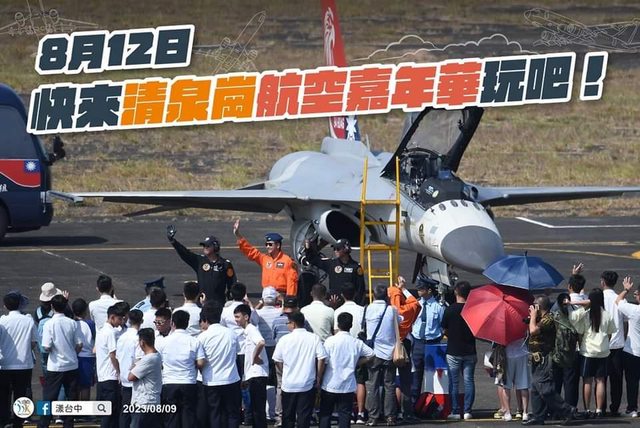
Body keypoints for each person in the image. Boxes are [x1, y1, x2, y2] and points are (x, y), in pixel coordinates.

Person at [525, 295, 575, 426]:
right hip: (535, 358)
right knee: (535, 389)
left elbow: (533, 330)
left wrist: (533, 317)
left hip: (545, 358)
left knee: (545, 389)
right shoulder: (540, 318)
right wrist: (532, 318)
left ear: (539, 306)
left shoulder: (548, 319)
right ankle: (538, 416)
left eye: (535, 305)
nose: (532, 307)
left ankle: (567, 410)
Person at [273, 312, 328, 428]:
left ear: (293, 324)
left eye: (288, 323)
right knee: (304, 417)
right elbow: (322, 358)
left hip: (288, 384)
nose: (287, 325)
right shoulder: (314, 338)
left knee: (288, 416)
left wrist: (283, 372)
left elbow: (277, 360)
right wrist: (318, 377)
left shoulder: (284, 339)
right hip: (307, 383)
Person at [319, 312, 374, 428]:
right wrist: (358, 362)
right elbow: (371, 354)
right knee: (345, 416)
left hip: (329, 383)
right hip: (348, 385)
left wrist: (319, 377)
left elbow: (324, 360)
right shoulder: (356, 342)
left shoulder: (330, 341)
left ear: (338, 324)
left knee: (325, 415)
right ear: (351, 325)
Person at [38, 294, 84, 428]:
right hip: (72, 365)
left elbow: (46, 347)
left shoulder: (49, 324)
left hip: (55, 367)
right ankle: (68, 424)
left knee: (48, 397)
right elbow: (79, 344)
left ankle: (43, 424)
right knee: (71, 397)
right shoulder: (72, 323)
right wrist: (72, 354)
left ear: (52, 307)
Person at [570, 288, 617, 417]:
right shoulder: (607, 315)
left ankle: (587, 409)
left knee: (587, 381)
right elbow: (610, 333)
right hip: (603, 351)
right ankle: (599, 410)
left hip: (588, 351)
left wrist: (583, 306)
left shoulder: (586, 314)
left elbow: (578, 329)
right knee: (600, 381)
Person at [156, 310, 206, 428]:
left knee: (171, 417)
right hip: (189, 382)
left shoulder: (163, 342)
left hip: (169, 383)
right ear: (187, 323)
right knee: (188, 416)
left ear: (172, 323)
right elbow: (201, 363)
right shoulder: (194, 341)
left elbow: (158, 362)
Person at [197, 302, 242, 428]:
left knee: (214, 413)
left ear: (205, 319)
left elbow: (200, 360)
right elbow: (237, 352)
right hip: (231, 379)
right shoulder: (231, 333)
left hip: (211, 381)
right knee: (232, 414)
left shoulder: (202, 337)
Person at [167, 225, 236, 303]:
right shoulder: (200, 261)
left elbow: (232, 284)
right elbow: (185, 253)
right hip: (202, 304)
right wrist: (173, 241)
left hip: (219, 305)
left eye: (208, 245)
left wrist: (231, 301)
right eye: (204, 245)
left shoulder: (225, 264)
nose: (205, 247)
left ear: (215, 247)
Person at [233, 219, 298, 297]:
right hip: (266, 295)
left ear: (278, 245)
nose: (267, 246)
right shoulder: (264, 259)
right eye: (266, 244)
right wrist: (238, 235)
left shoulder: (287, 261)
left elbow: (292, 281)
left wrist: (290, 299)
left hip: (280, 296)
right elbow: (251, 251)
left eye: (270, 244)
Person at [0, 291, 36, 428]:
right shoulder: (28, 320)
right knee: (21, 395)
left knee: (4, 395)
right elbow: (33, 342)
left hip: (5, 364)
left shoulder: (2, 321)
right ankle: (19, 422)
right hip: (24, 365)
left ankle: (4, 421)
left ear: (5, 306)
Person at [364, 285, 399, 426]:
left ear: (373, 295)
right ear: (387, 296)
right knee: (389, 385)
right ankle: (390, 416)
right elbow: (400, 320)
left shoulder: (368, 309)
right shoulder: (392, 310)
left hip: (373, 353)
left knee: (372, 385)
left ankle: (373, 417)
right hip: (389, 353)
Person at [387, 276, 420, 422]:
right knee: (406, 382)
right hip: (404, 345)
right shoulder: (407, 310)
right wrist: (404, 289)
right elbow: (416, 303)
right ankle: (407, 413)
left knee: (390, 382)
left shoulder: (386, 312)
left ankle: (391, 413)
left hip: (389, 346)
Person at [442, 281, 476, 421]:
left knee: (454, 382)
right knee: (469, 381)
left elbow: (444, 329)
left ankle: (455, 410)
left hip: (453, 350)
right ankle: (467, 410)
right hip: (470, 350)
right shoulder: (473, 309)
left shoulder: (449, 310)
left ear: (456, 292)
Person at [333, 283, 367, 423]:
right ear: (355, 294)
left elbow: (336, 332)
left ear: (342, 295)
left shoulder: (337, 311)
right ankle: (360, 413)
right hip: (358, 349)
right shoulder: (362, 310)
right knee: (360, 382)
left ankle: (347, 411)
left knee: (344, 381)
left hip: (342, 350)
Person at [410, 275, 444, 406]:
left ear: (429, 290)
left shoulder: (438, 307)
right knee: (416, 376)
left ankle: (432, 404)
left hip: (432, 343)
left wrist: (436, 338)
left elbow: (442, 326)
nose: (418, 291)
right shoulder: (416, 304)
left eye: (421, 289)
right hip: (418, 343)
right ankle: (414, 404)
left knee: (433, 376)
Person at [235, 304, 269, 428]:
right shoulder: (248, 330)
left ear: (246, 317)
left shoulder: (251, 329)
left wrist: (255, 357)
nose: (236, 320)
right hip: (253, 375)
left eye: (238, 317)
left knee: (258, 410)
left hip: (257, 375)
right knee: (255, 408)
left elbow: (261, 342)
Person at [303, 238, 366, 304]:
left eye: (338, 249)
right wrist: (308, 249)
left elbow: (360, 289)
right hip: (334, 303)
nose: (335, 251)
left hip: (350, 304)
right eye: (334, 249)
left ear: (346, 249)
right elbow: (313, 260)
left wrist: (360, 305)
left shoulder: (355, 267)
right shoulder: (331, 264)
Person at [95, 305, 125, 428]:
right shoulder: (110, 333)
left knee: (106, 412)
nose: (121, 322)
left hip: (102, 376)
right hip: (111, 376)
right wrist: (119, 371)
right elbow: (113, 355)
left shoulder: (101, 331)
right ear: (112, 317)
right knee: (111, 413)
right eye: (119, 319)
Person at [255, 287, 281, 421]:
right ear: (276, 299)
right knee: (276, 381)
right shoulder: (280, 312)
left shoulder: (258, 313)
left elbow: (253, 312)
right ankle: (275, 411)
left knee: (265, 379)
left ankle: (267, 411)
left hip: (263, 348)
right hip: (276, 347)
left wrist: (259, 303)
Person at [128, 328, 163, 428]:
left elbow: (131, 376)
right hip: (151, 401)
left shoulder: (148, 359)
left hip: (144, 403)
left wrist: (134, 366)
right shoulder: (156, 355)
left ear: (142, 342)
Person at [601, 270, 625, 416]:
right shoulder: (620, 299)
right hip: (618, 344)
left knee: (601, 379)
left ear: (603, 282)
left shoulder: (598, 298)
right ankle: (615, 408)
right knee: (617, 379)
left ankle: (601, 407)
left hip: (602, 344)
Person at [614, 276, 639, 417]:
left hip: (632, 352)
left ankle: (632, 408)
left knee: (632, 382)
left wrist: (626, 290)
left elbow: (618, 300)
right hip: (633, 352)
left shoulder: (634, 310)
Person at [116, 309, 143, 428]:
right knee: (136, 414)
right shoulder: (138, 338)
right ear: (142, 321)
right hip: (135, 380)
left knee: (125, 411)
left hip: (124, 378)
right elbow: (139, 360)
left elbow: (117, 357)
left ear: (129, 320)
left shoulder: (122, 337)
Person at [71, 298, 96, 402]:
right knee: (85, 386)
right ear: (85, 311)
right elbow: (95, 338)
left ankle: (76, 409)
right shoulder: (90, 324)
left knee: (75, 386)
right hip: (88, 358)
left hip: (74, 357)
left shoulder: (71, 323)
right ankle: (85, 409)